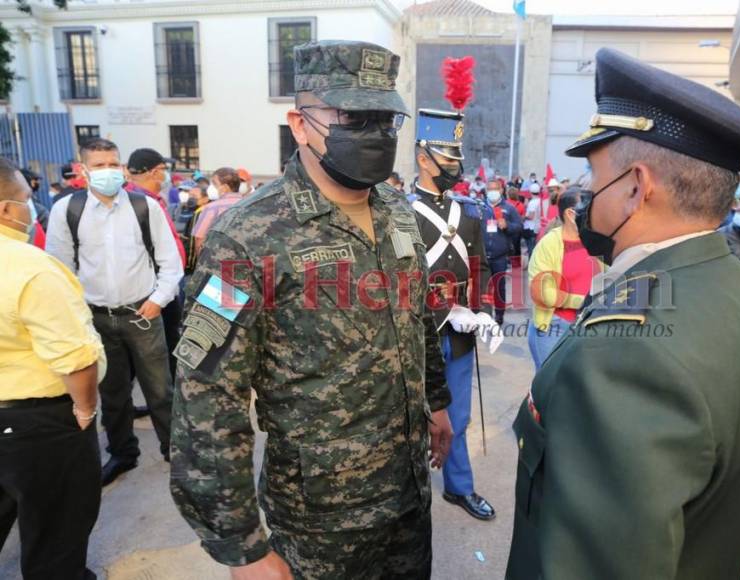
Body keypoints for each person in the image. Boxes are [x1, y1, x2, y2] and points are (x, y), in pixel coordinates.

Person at [171, 40, 453, 580]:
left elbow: (415, 317)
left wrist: (436, 400)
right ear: (300, 125)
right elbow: (205, 394)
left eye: (384, 118)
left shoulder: (395, 210)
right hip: (320, 519)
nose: (372, 133)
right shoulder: (245, 235)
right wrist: (243, 547)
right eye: (350, 116)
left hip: (407, 495)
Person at [506, 48, 740, 580]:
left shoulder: (626, 356)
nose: (586, 193)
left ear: (636, 187)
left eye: (593, 175)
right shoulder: (725, 281)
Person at [46, 138, 183, 485]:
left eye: (113, 164)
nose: (107, 172)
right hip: (96, 318)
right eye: (99, 165)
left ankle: (174, 450)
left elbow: (171, 262)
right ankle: (123, 453)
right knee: (113, 393)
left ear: (122, 167)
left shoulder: (143, 207)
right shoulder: (67, 210)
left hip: (143, 313)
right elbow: (60, 270)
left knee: (160, 389)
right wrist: (78, 314)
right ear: (83, 170)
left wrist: (158, 300)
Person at [0, 158, 105, 580]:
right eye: (27, 199)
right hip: (38, 423)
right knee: (56, 532)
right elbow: (75, 358)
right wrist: (84, 409)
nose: (32, 208)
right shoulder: (30, 268)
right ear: (7, 209)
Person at [412, 108, 496, 522]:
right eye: (446, 158)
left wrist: (484, 314)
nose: (454, 167)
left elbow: (479, 266)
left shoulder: (469, 213)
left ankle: (459, 487)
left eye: (456, 158)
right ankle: (405, 493)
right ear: (423, 158)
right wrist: (446, 309)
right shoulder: (399, 211)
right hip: (414, 332)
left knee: (458, 415)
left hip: (461, 331)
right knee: (408, 413)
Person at [126, 148, 188, 385]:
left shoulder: (150, 200)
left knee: (166, 340)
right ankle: (166, 400)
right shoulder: (139, 203)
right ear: (153, 172)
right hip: (156, 287)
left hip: (166, 282)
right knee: (163, 342)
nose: (166, 176)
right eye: (164, 170)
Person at [527, 186, 599, 370]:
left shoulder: (594, 241)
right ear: (570, 213)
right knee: (551, 390)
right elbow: (543, 293)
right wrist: (584, 301)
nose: (594, 214)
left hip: (588, 325)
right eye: (589, 209)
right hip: (554, 327)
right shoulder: (549, 244)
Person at [482, 178, 522, 325]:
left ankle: (499, 315)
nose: (492, 192)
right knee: (482, 288)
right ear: (486, 191)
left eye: (495, 189)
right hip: (483, 255)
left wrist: (508, 226)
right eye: (489, 189)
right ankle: (484, 315)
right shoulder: (480, 208)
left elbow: (519, 226)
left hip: (499, 256)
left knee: (499, 287)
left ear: (501, 190)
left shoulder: (509, 208)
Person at [192, 167, 245, 256]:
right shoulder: (249, 204)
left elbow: (199, 239)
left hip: (218, 260)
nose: (211, 187)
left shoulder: (212, 208)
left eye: (214, 183)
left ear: (225, 187)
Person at [521, 182, 543, 255]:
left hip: (530, 228)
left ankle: (531, 265)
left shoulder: (532, 202)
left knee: (531, 249)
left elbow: (531, 216)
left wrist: (523, 217)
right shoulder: (541, 201)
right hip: (537, 227)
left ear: (530, 192)